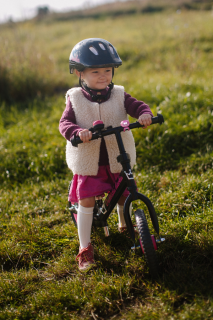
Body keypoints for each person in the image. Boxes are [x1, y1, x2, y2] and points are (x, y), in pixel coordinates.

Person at [59, 38, 153, 271]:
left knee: (125, 192)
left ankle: (126, 223)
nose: (103, 76)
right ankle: (85, 247)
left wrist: (144, 114)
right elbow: (65, 123)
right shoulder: (75, 98)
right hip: (90, 161)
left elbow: (136, 105)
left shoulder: (119, 94)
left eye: (108, 71)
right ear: (80, 73)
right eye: (96, 71)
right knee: (86, 200)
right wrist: (78, 132)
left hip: (116, 157)